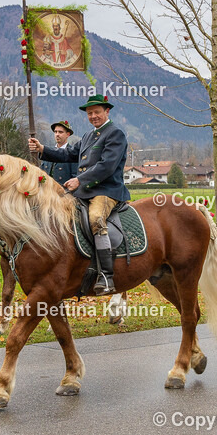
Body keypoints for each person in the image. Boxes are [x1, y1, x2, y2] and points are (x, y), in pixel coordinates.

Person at [28, 94, 131, 321]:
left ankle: (106, 276)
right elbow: (67, 154)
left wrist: (80, 180)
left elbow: (107, 166)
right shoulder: (87, 136)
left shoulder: (115, 134)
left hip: (107, 191)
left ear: (107, 112)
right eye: (89, 113)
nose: (93, 116)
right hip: (83, 192)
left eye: (97, 112)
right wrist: (42, 148)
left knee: (95, 218)